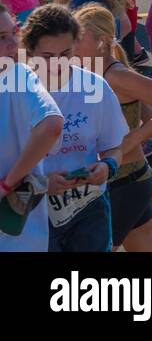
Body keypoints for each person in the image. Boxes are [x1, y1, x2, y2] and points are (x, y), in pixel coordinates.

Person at [73, 4, 152, 252]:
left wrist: (131, 141)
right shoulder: (88, 70)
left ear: (102, 41)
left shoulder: (117, 76)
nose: (72, 44)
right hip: (129, 180)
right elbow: (143, 109)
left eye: (79, 38)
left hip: (124, 183)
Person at [21, 3, 126, 252]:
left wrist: (107, 166)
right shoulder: (15, 94)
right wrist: (41, 184)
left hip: (89, 211)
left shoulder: (94, 87)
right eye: (48, 57)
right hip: (33, 212)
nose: (58, 64)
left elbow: (115, 148)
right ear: (30, 51)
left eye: (66, 54)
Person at [0, 48, 64, 253]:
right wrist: (7, 185)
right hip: (19, 234)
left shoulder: (17, 74)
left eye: (14, 32)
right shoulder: (18, 74)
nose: (12, 43)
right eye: (1, 36)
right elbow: (51, 126)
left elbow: (51, 126)